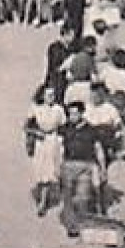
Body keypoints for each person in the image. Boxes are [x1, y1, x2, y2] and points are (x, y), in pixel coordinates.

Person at [58, 102, 107, 237]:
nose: (72, 116)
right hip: (68, 165)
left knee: (82, 197)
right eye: (70, 114)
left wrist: (102, 168)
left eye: (75, 113)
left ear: (81, 113)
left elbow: (98, 149)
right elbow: (59, 148)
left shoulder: (91, 130)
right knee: (68, 197)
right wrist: (58, 166)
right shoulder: (64, 129)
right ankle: (72, 226)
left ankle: (82, 223)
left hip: (85, 166)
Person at [25, 85, 66, 216]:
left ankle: (46, 201)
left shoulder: (58, 109)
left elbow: (64, 126)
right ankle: (44, 198)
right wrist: (36, 133)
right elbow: (26, 127)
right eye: (48, 95)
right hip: (40, 142)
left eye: (53, 95)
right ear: (42, 96)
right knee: (42, 171)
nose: (51, 98)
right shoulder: (36, 109)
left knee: (53, 170)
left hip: (54, 141)